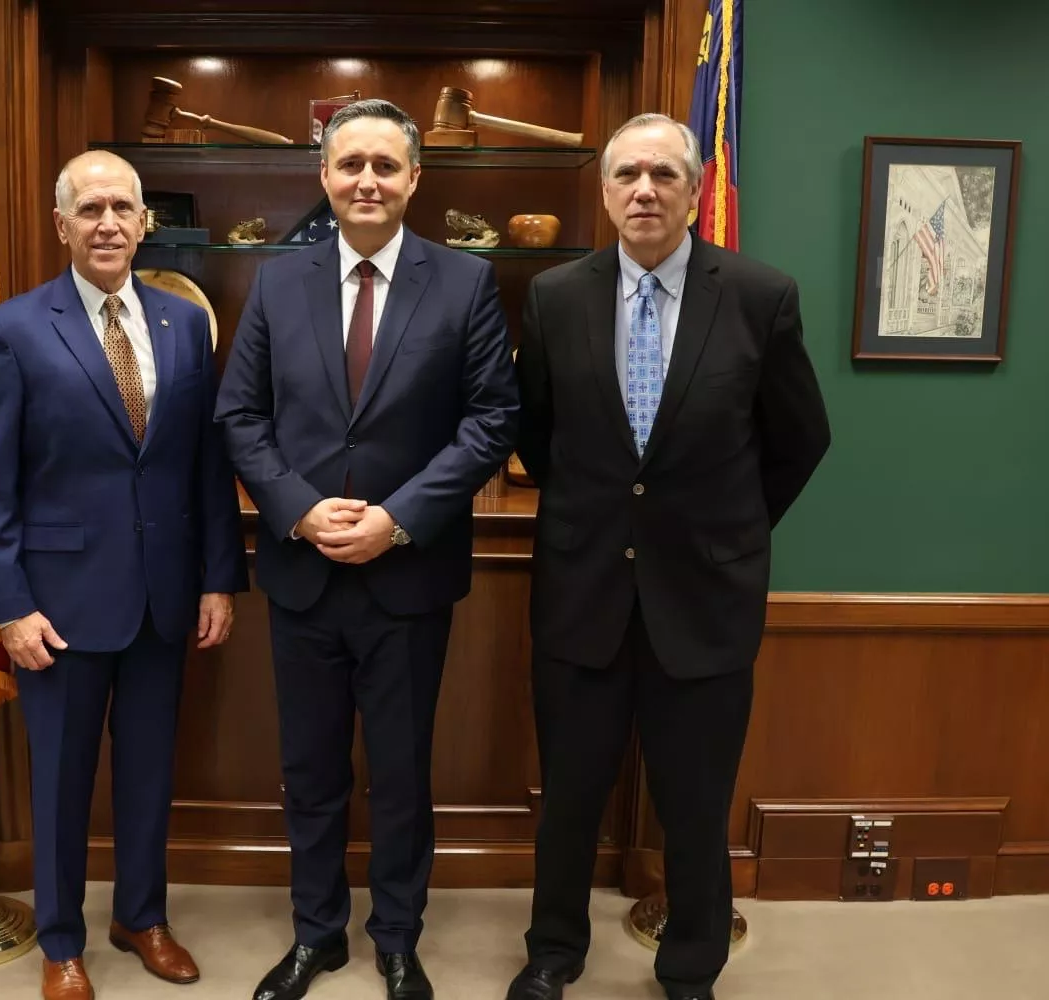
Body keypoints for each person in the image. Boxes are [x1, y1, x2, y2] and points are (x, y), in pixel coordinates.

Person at [506, 113, 831, 1000]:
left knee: (694, 803)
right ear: (605, 191)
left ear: (695, 191)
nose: (644, 190)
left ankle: (690, 966)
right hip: (583, 592)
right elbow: (537, 433)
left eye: (663, 175)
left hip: (705, 597)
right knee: (570, 798)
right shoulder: (556, 297)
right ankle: (552, 952)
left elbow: (800, 438)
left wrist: (729, 532)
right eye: (627, 175)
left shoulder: (760, 296)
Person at [215, 99, 518, 1000]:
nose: (367, 181)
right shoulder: (278, 283)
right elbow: (240, 415)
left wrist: (398, 517)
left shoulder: (465, 282)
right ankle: (317, 934)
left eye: (386, 165)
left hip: (409, 575)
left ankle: (396, 938)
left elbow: (491, 420)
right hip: (303, 575)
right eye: (351, 164)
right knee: (309, 772)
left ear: (415, 178)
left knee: (400, 774)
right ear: (325, 176)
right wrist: (301, 510)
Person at [0, 149, 247, 1000]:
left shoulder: (185, 324)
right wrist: (10, 607)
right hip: (58, 608)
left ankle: (141, 917)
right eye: (91, 210)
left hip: (164, 596)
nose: (109, 224)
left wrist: (219, 578)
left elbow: (206, 466)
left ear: (143, 221)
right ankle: (61, 941)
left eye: (123, 208)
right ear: (62, 225)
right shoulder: (14, 329)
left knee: (150, 771)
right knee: (61, 780)